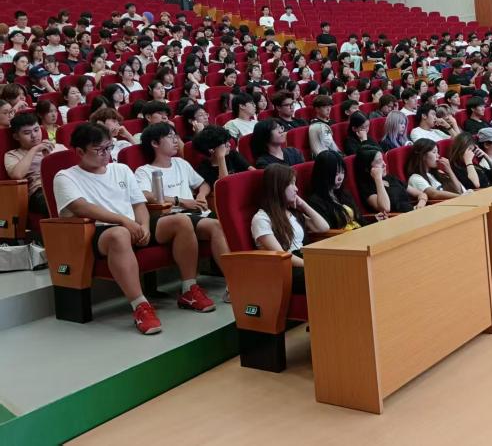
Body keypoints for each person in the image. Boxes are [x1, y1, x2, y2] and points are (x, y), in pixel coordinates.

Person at [53, 124, 218, 335]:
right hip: (100, 231)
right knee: (119, 234)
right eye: (99, 150)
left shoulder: (121, 169)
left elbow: (139, 204)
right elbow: (81, 207)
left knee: (181, 221)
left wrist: (144, 225)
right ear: (79, 151)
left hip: (133, 225)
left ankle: (189, 289)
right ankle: (140, 305)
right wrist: (124, 221)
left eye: (109, 147)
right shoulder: (65, 177)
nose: (107, 154)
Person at [135, 122, 230, 287]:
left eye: (175, 136)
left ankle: (239, 278)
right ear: (155, 143)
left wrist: (201, 195)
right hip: (172, 215)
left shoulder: (181, 163)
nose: (175, 141)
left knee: (229, 221)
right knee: (216, 226)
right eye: (170, 137)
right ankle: (234, 282)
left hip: (196, 213)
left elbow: (203, 184)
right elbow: (145, 195)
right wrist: (180, 201)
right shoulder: (144, 171)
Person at [251, 164, 329, 294]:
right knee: (328, 274)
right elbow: (283, 256)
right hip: (285, 268)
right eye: (291, 184)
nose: (296, 189)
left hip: (302, 258)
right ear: (278, 187)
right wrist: (313, 264)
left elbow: (323, 227)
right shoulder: (261, 219)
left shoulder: (293, 212)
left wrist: (303, 204)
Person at [4, 113, 67, 214]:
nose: (34, 136)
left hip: (65, 183)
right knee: (67, 203)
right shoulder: (12, 154)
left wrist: (50, 157)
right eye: (27, 133)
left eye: (36, 130)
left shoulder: (57, 147)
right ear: (16, 137)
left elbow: (74, 166)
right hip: (40, 191)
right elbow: (17, 175)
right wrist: (34, 149)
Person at [307, 151, 370, 230]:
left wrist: (374, 221)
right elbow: (328, 231)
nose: (340, 178)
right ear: (323, 174)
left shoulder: (344, 193)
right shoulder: (315, 202)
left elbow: (359, 219)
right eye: (336, 174)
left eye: (342, 172)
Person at [355, 145, 423, 213]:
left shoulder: (390, 178)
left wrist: (421, 204)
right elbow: (385, 208)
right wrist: (378, 179)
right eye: (379, 161)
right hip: (398, 218)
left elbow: (421, 194)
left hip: (414, 212)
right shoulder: (367, 188)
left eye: (383, 160)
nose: (384, 164)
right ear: (367, 168)